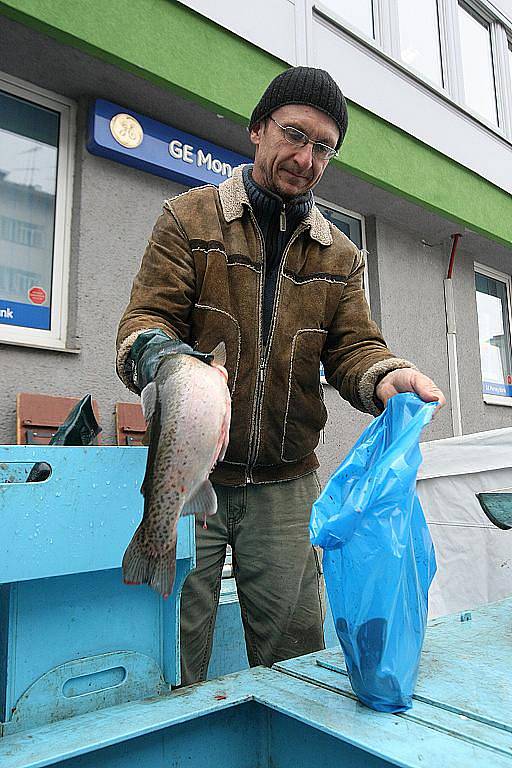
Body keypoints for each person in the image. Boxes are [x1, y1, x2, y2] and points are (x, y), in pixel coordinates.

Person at [116, 66, 445, 685]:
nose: (306, 157)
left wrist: (386, 377)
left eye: (324, 147)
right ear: (258, 130)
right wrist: (164, 360)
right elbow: (140, 326)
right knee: (171, 647)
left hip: (287, 486)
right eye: (295, 135)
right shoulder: (189, 220)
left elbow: (355, 349)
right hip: (191, 470)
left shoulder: (340, 254)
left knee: (295, 654)